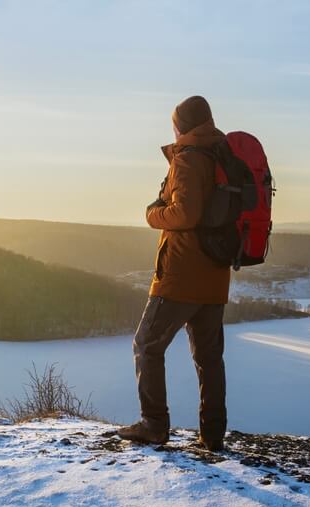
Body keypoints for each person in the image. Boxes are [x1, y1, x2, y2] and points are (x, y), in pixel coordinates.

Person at [117, 95, 229, 452]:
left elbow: (185, 215)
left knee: (146, 344)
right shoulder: (221, 155)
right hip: (215, 273)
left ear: (181, 125)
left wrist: (153, 214)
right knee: (209, 358)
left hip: (181, 274)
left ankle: (154, 424)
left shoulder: (188, 159)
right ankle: (212, 436)